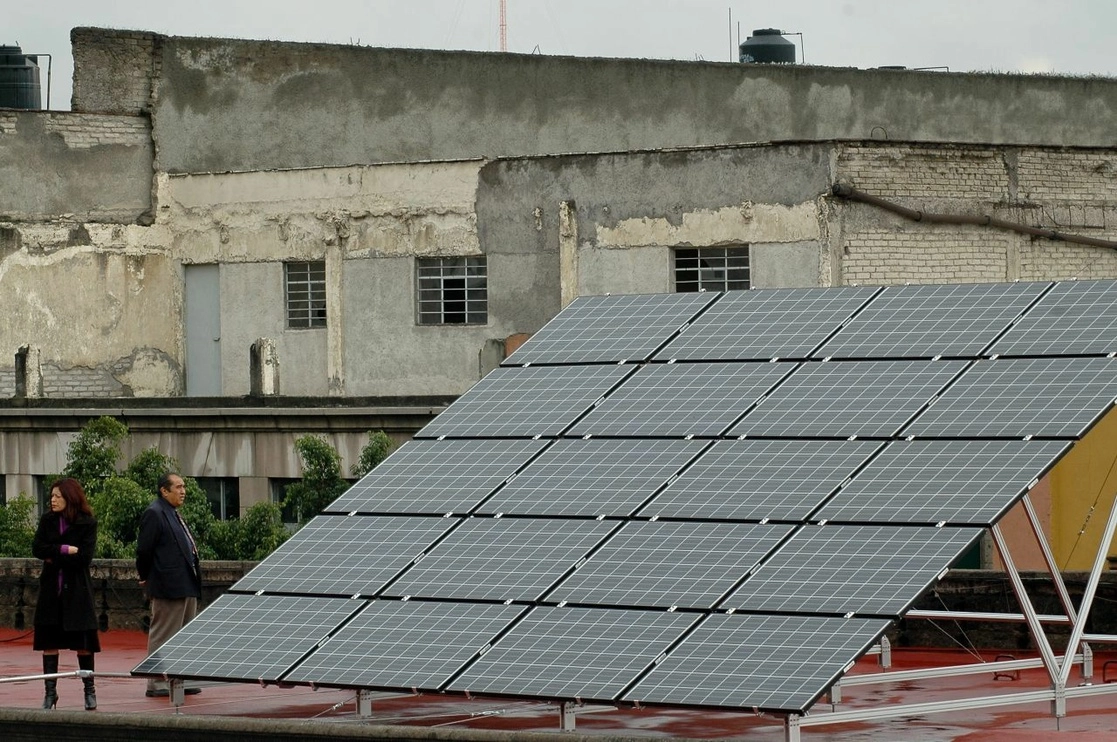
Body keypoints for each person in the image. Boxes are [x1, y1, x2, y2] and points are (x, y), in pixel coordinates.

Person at [31, 477, 101, 711]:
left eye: (57, 496)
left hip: (77, 592)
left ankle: (89, 691)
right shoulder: (47, 520)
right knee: (49, 643)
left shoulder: (87, 523)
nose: (52, 500)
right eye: (51, 496)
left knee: (83, 644)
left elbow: (83, 558)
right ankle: (50, 693)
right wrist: (64, 549)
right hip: (52, 591)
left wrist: (55, 557)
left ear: (70, 498)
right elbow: (38, 549)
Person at [135, 472, 202, 698]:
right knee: (164, 633)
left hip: (186, 583)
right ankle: (157, 681)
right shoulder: (155, 513)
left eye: (184, 487)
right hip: (168, 585)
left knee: (185, 635)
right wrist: (145, 576)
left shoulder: (173, 513)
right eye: (178, 487)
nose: (183, 491)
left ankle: (182, 679)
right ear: (164, 491)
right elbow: (144, 550)